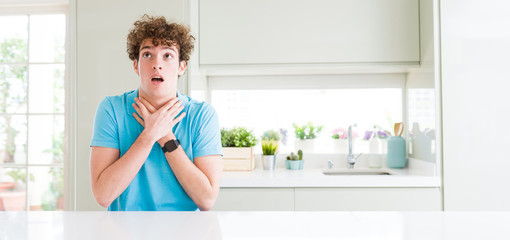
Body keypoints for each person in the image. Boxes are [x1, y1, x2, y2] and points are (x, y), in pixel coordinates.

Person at [89, 15, 223, 211]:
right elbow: (103, 195)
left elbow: (207, 200)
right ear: (136, 65)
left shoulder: (202, 115)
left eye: (167, 55)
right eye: (147, 54)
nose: (156, 64)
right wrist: (149, 135)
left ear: (181, 66)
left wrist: (166, 137)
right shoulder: (111, 109)